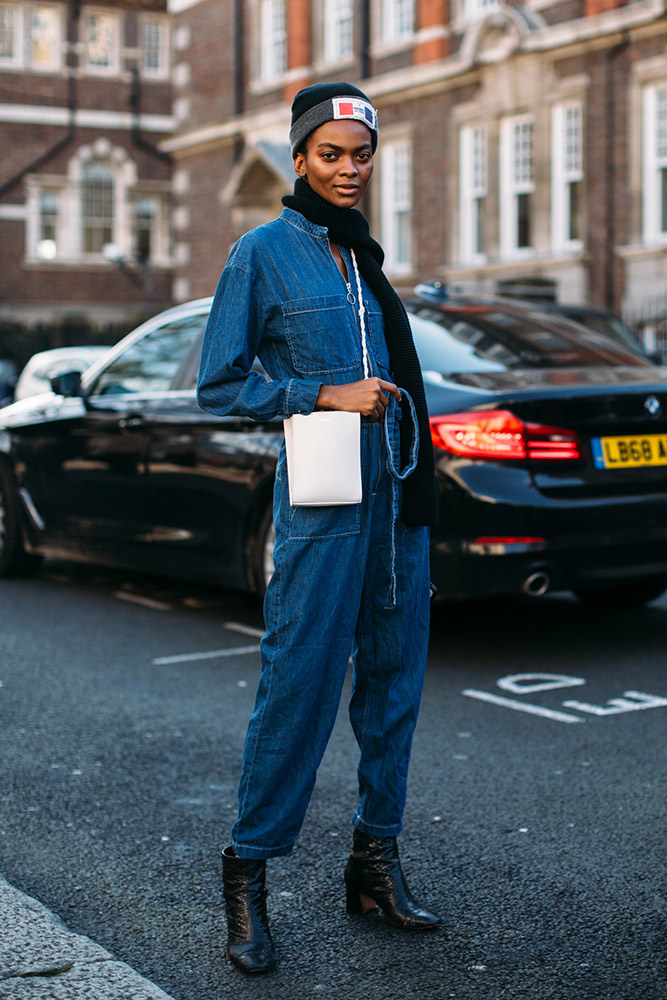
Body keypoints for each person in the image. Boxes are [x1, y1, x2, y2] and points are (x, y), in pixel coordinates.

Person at [197, 81, 440, 975]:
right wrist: (319, 393)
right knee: (297, 684)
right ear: (298, 158)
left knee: (394, 686)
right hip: (323, 505)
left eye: (360, 154)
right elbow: (218, 384)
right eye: (329, 154)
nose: (346, 169)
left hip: (397, 505)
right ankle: (247, 875)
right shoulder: (262, 254)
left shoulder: (365, 259)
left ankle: (373, 863)